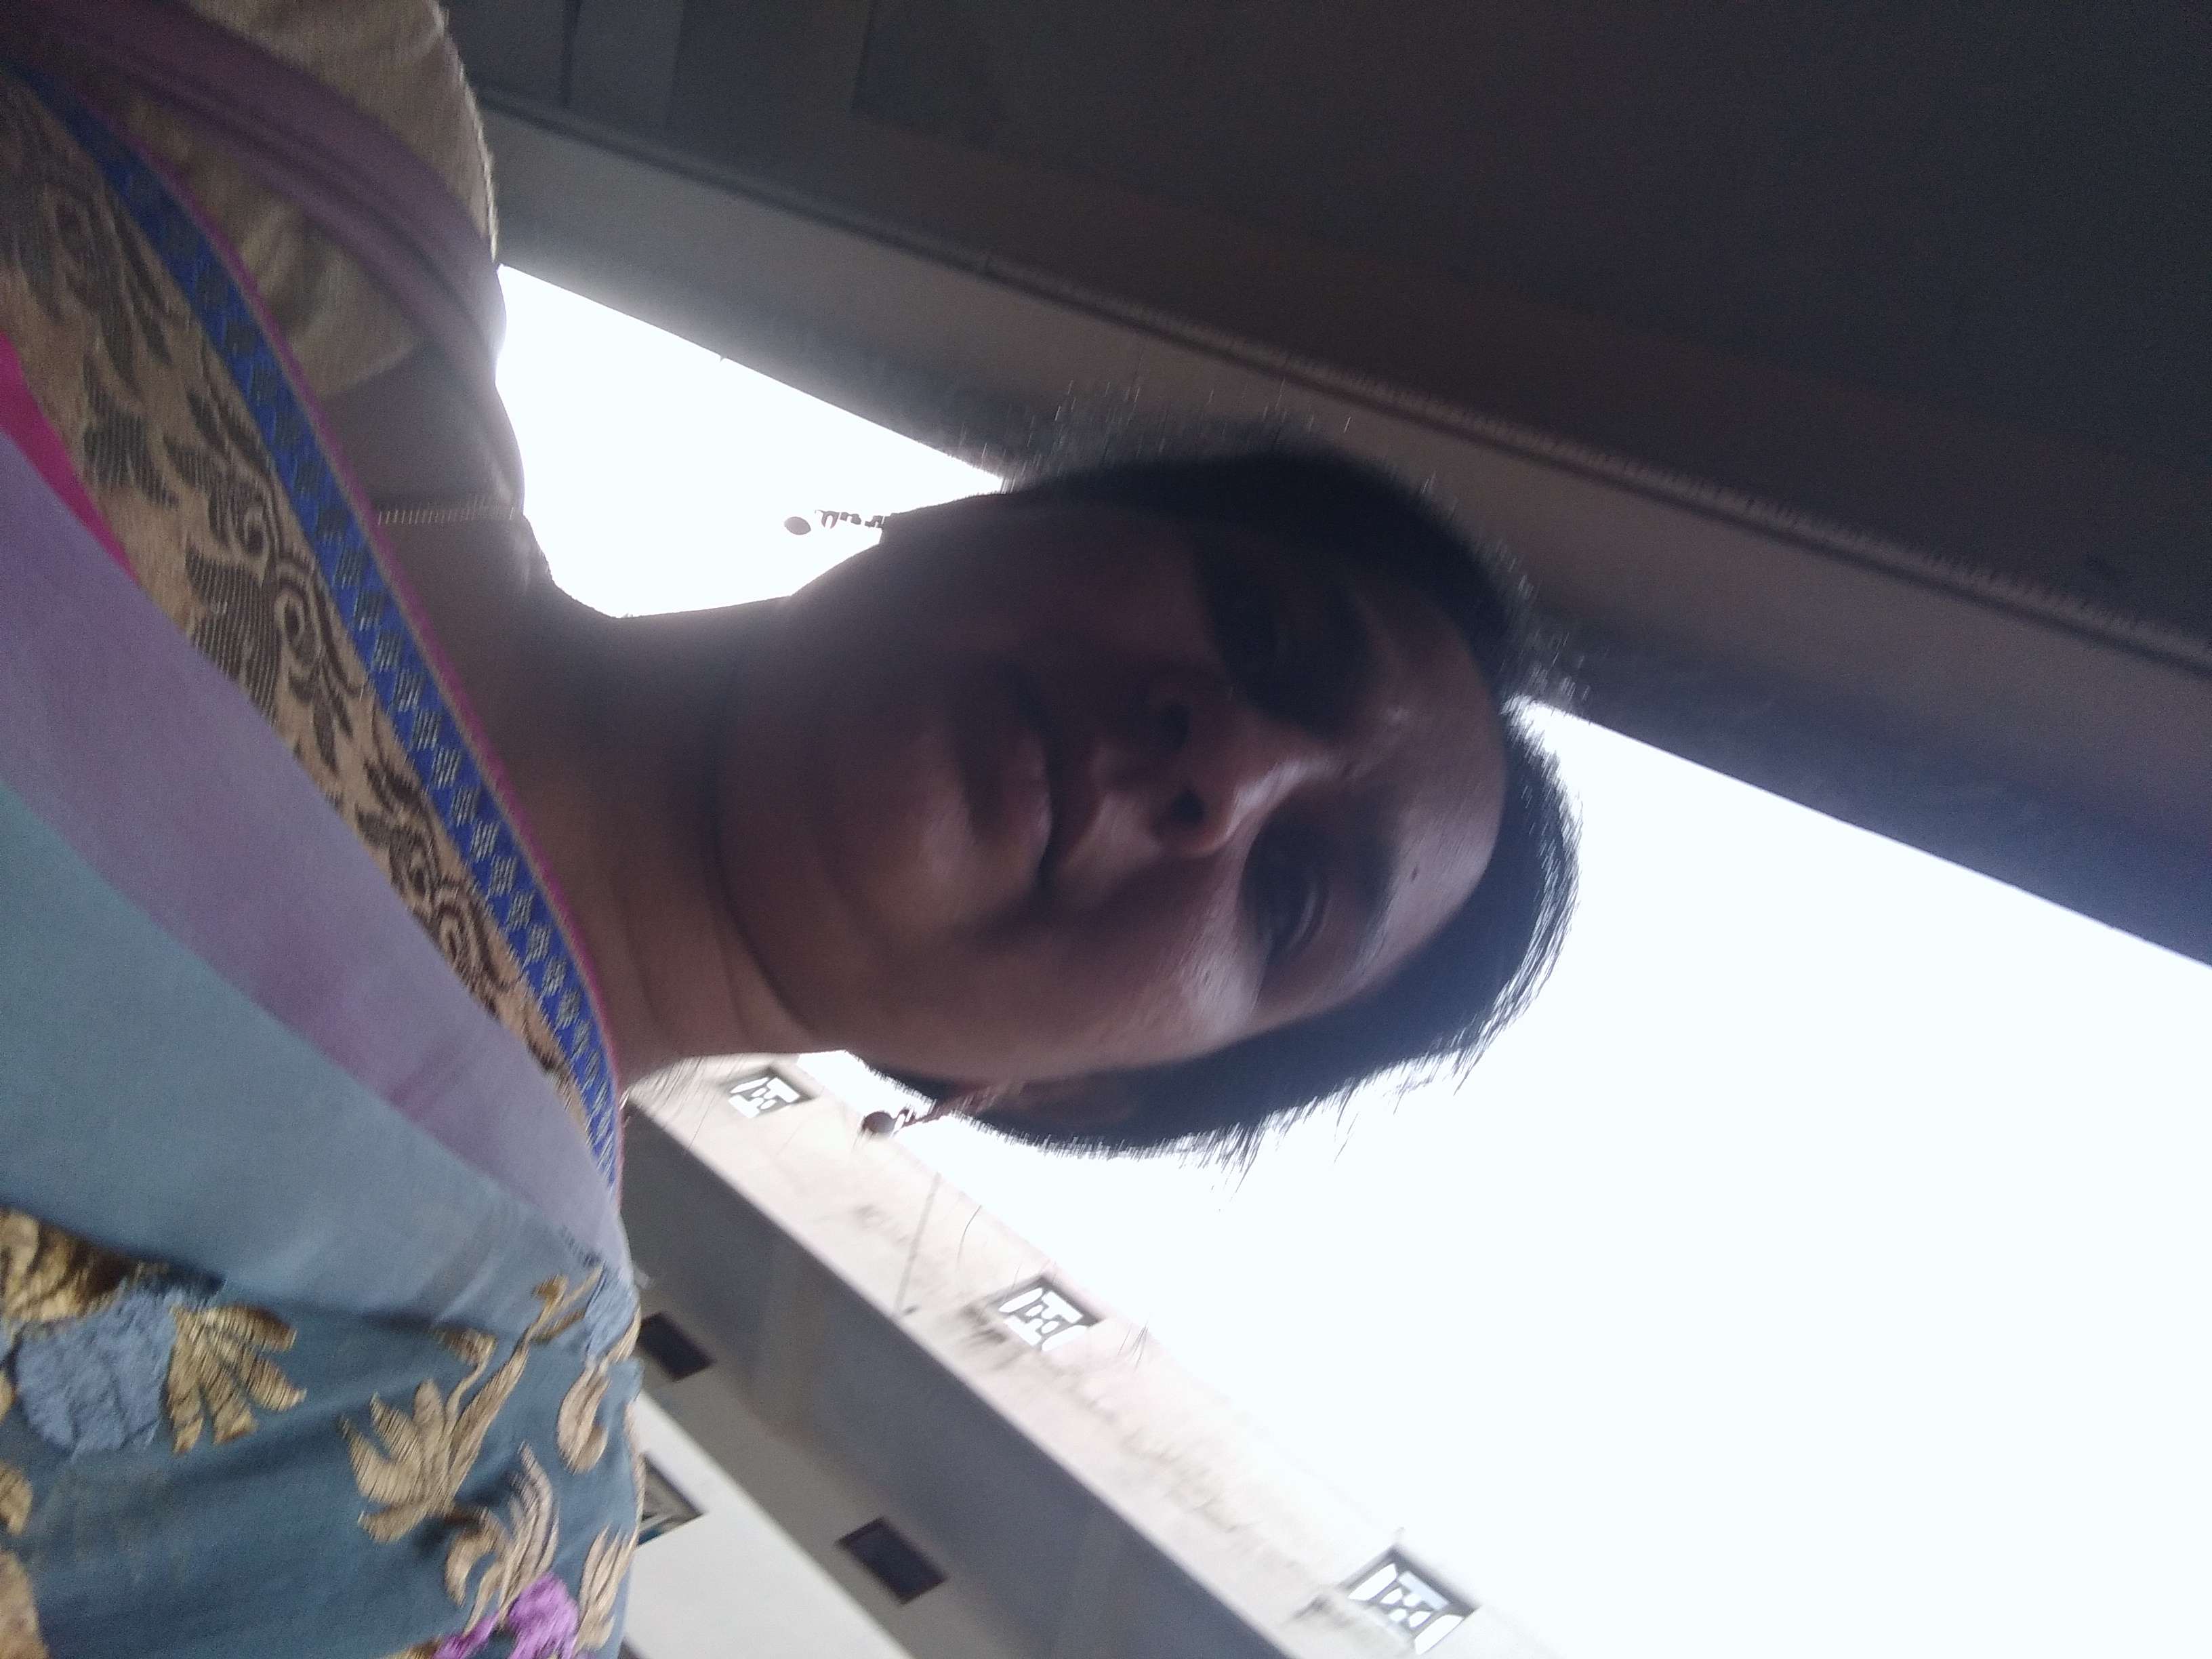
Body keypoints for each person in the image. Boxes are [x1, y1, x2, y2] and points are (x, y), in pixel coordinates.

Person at [0, 1, 1573, 1654]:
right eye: (1261, 629)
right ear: (1010, 513)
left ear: (1067, 1093)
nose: (1227, 771)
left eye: (1293, 898)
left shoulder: (469, 1503)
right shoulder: (313, 133)